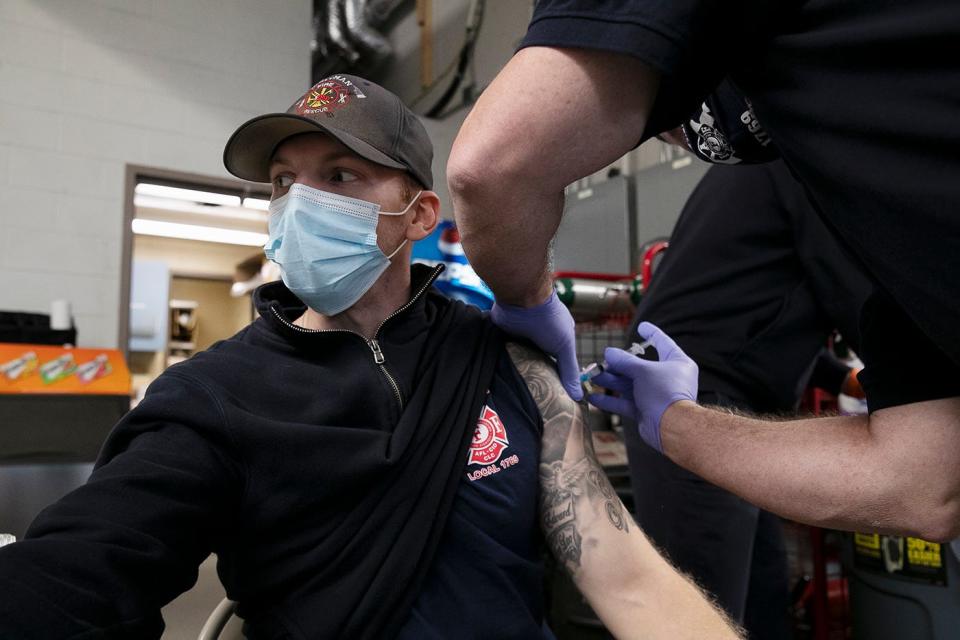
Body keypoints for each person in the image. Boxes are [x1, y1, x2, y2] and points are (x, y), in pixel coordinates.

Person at [0, 75, 739, 639]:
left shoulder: (504, 363)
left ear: (416, 215)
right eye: (284, 182)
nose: (300, 202)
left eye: (340, 175)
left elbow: (630, 581)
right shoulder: (212, 398)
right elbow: (83, 569)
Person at [446, 0, 960, 540]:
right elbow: (924, 482)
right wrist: (677, 423)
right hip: (718, 395)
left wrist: (526, 300)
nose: (672, 137)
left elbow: (493, 166)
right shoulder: (866, 168)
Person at [622, 159, 871, 637]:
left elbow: (753, 308)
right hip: (686, 402)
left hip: (713, 394)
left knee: (760, 597)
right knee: (703, 613)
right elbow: (856, 287)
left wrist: (845, 379)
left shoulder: (769, 156)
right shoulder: (807, 162)